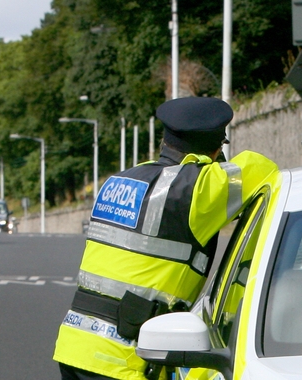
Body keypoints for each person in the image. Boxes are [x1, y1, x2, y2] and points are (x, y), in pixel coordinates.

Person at [54, 97, 279, 380]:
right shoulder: (196, 190)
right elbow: (262, 168)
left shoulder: (119, 182)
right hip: (125, 360)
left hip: (75, 346)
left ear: (165, 141)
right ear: (215, 148)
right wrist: (209, 164)